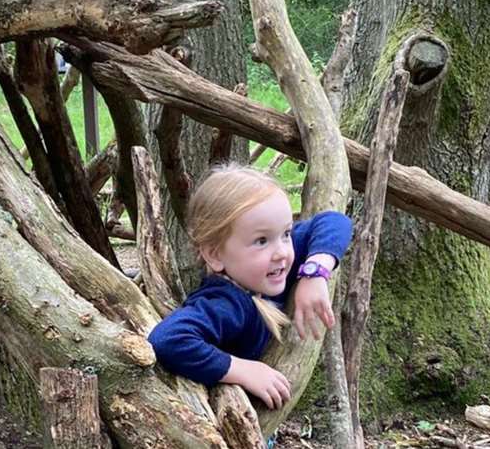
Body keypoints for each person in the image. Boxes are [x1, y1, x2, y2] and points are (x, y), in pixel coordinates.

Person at [148, 164, 352, 410]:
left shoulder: (265, 269)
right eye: (261, 241)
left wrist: (316, 272)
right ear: (215, 255)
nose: (282, 252)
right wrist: (243, 370)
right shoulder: (228, 303)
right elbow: (167, 340)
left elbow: (335, 221)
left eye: (285, 233)